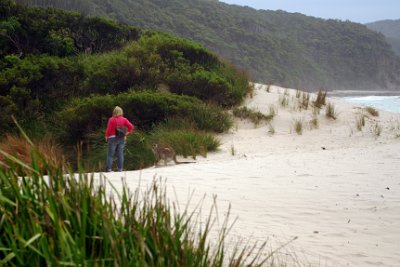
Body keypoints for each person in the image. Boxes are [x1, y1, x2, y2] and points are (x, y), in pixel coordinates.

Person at [105, 106, 134, 172]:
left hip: (112, 138)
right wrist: (126, 133)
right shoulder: (124, 119)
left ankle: (109, 169)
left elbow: (109, 129)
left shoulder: (111, 119)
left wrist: (106, 136)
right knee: (120, 154)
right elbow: (131, 127)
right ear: (121, 112)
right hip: (121, 138)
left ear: (114, 112)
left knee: (110, 155)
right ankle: (120, 169)